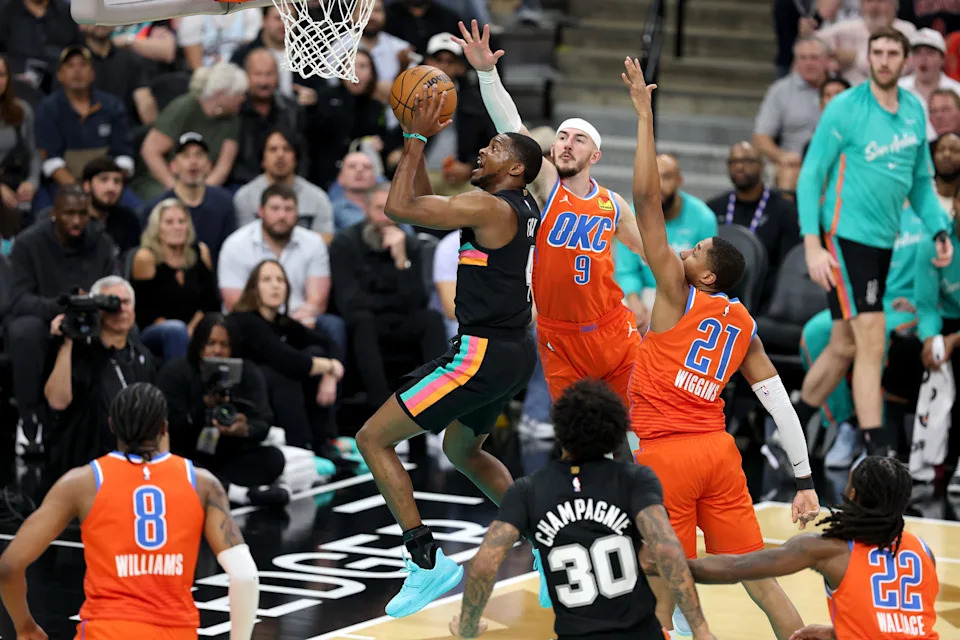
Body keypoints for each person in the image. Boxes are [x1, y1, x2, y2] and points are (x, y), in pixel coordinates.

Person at [622, 57, 820, 639]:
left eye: (697, 250)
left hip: (668, 458)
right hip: (718, 450)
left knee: (659, 579)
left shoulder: (675, 293)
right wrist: (803, 481)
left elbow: (645, 200)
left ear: (707, 276)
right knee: (755, 572)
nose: (685, 251)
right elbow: (779, 404)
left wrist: (643, 114)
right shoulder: (742, 321)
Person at [353, 85, 543, 617]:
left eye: (497, 148)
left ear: (515, 172)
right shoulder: (517, 204)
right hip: (511, 352)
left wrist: (414, 134)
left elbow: (397, 208)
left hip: (480, 354)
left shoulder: (488, 205)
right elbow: (422, 205)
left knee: (371, 438)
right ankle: (551, 551)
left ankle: (426, 560)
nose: (483, 149)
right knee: (462, 451)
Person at [453, 20, 646, 432]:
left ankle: (643, 496)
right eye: (561, 136)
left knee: (635, 430)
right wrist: (486, 73)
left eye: (579, 139)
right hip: (558, 336)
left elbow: (655, 256)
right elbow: (511, 123)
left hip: (612, 329)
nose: (566, 143)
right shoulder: (543, 185)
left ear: (595, 155)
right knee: (574, 437)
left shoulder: (612, 204)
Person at [449, 379, 715, 640]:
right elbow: (668, 550)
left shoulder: (527, 491)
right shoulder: (636, 480)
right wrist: (700, 629)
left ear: (560, 430)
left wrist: (468, 626)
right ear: (616, 431)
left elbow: (484, 564)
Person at [794, 27, 954, 460]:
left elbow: (921, 181)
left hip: (882, 243)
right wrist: (812, 244)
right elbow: (811, 176)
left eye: (891, 53)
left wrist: (939, 228)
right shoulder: (845, 108)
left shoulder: (913, 112)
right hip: (845, 238)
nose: (884, 60)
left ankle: (786, 431)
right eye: (877, 52)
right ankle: (877, 451)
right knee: (872, 340)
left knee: (845, 344)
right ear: (868, 58)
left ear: (904, 62)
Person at [0, 383, 259, 640]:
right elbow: (245, 576)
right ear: (164, 428)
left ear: (112, 425)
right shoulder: (202, 483)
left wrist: (25, 626)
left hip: (105, 632)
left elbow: (9, 567)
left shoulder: (82, 482)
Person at [683, 456, 939, 640]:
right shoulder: (923, 551)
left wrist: (672, 564)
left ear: (852, 495)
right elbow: (899, 626)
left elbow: (737, 567)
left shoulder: (829, 548)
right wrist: (836, 633)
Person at [6, 185, 115, 456]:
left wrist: (90, 304)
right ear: (54, 213)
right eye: (69, 213)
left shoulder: (101, 242)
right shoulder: (28, 242)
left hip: (92, 316)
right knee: (23, 331)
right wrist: (58, 307)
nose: (77, 221)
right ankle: (29, 421)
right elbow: (19, 299)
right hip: (45, 319)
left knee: (126, 325)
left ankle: (121, 419)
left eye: (82, 213)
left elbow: (112, 287)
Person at [329, 183, 448, 410]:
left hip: (399, 322)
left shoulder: (410, 245)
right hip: (365, 325)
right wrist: (393, 302)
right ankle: (383, 411)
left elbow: (418, 300)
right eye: (378, 210)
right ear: (366, 210)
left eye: (390, 212)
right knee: (363, 320)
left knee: (431, 319)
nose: (384, 218)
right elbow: (349, 302)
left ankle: (433, 403)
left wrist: (402, 261)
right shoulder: (345, 243)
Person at [156, 313, 288, 507]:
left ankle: (220, 488)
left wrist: (246, 430)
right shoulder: (175, 372)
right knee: (174, 468)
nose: (217, 350)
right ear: (199, 345)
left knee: (274, 458)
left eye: (224, 345)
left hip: (230, 456)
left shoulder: (248, 372)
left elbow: (264, 419)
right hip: (189, 454)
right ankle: (240, 493)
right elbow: (171, 428)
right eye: (210, 343)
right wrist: (203, 406)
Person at [228, 259, 346, 461]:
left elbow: (329, 344)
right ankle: (300, 447)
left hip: (277, 383)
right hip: (241, 388)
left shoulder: (282, 322)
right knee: (284, 373)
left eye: (280, 280)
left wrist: (330, 375)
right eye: (267, 280)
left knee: (314, 351)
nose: (275, 285)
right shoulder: (244, 320)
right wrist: (331, 366)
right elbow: (285, 359)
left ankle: (323, 441)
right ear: (254, 289)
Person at [44, 276, 156, 475]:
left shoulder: (142, 356)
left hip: (134, 466)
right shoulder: (76, 352)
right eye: (111, 303)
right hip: (85, 467)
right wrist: (67, 341)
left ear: (134, 309)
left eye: (125, 302)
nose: (119, 309)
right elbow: (58, 401)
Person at [132, 198, 220, 362]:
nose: (177, 227)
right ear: (157, 228)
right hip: (156, 330)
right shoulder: (146, 258)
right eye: (169, 222)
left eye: (182, 221)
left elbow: (210, 302)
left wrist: (193, 328)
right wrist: (182, 332)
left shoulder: (200, 252)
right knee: (175, 331)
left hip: (195, 327)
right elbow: (144, 311)